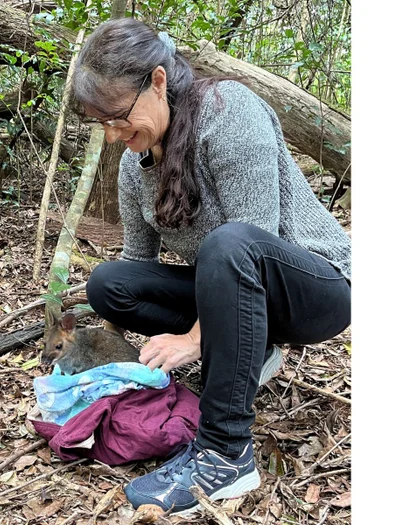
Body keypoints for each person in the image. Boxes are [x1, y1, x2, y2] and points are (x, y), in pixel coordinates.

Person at [69, 18, 351, 516]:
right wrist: (113, 362)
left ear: (157, 82)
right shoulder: (137, 167)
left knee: (229, 242)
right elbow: (139, 263)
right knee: (109, 283)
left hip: (318, 286)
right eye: (101, 124)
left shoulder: (227, 112)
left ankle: (225, 452)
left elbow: (253, 240)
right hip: (239, 289)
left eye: (117, 117)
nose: (112, 136)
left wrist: (194, 340)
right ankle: (251, 348)